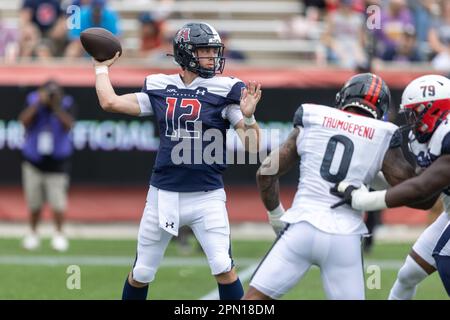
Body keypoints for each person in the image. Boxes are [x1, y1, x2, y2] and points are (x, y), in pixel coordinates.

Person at [92, 22, 261, 300]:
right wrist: (100, 67)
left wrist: (250, 116)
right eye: (204, 50)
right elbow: (110, 102)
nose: (211, 56)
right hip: (163, 195)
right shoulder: (160, 85)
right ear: (185, 54)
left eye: (213, 50)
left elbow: (253, 146)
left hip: (207, 195)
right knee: (142, 272)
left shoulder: (226, 89)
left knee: (223, 267)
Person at [243, 73, 415, 300]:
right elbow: (412, 189)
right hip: (345, 237)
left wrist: (276, 216)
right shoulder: (383, 133)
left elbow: (266, 172)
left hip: (302, 226)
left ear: (343, 96)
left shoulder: (313, 116)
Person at [333, 74, 450, 298]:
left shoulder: (447, 134)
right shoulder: (427, 138)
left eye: (415, 113)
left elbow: (421, 189)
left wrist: (363, 199)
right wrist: (370, 174)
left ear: (434, 110)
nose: (411, 121)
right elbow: (420, 189)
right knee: (408, 274)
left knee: (445, 258)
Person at [19, 80, 75, 252]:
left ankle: (58, 234)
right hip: (34, 161)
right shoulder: (33, 101)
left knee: (58, 204)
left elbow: (69, 125)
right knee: (34, 203)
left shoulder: (66, 103)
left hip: (57, 163)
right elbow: (24, 121)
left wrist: (56, 107)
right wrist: (39, 103)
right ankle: (33, 233)